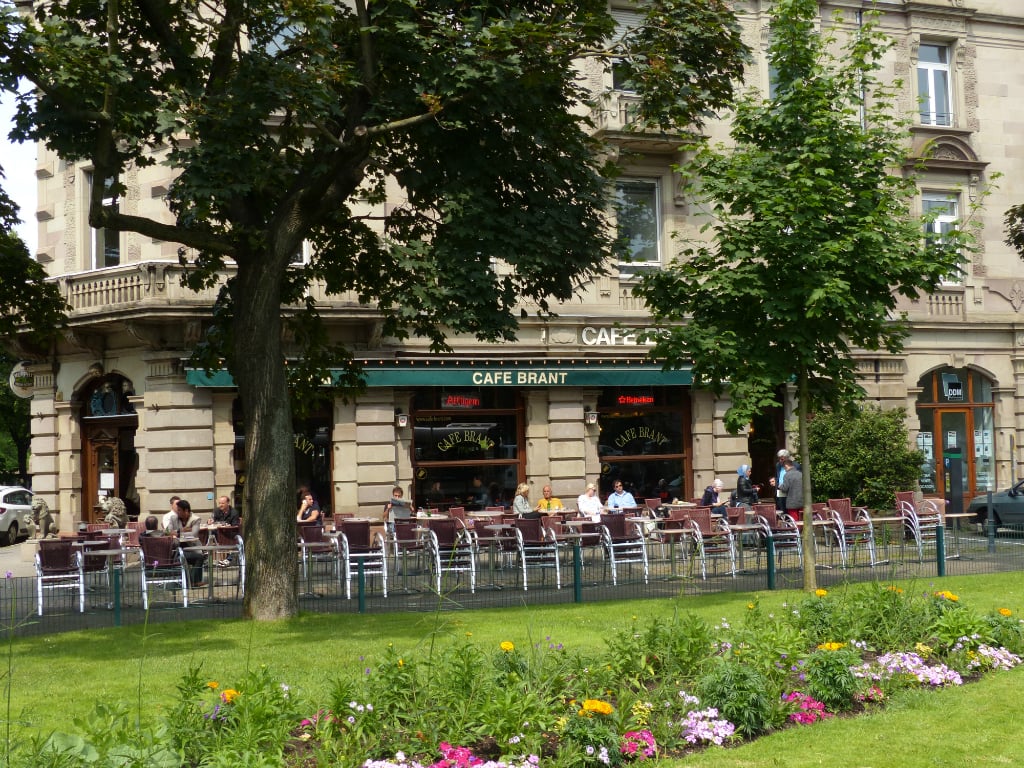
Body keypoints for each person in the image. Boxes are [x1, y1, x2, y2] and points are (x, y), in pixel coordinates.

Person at [165, 499, 205, 586]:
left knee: (200, 556)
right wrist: (181, 531)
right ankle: (193, 582)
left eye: (179, 510)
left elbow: (194, 534)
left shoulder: (195, 519)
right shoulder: (173, 518)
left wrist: (177, 533)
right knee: (199, 558)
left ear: (186, 510)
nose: (177, 512)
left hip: (192, 547)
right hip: (177, 548)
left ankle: (192, 581)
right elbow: (167, 531)